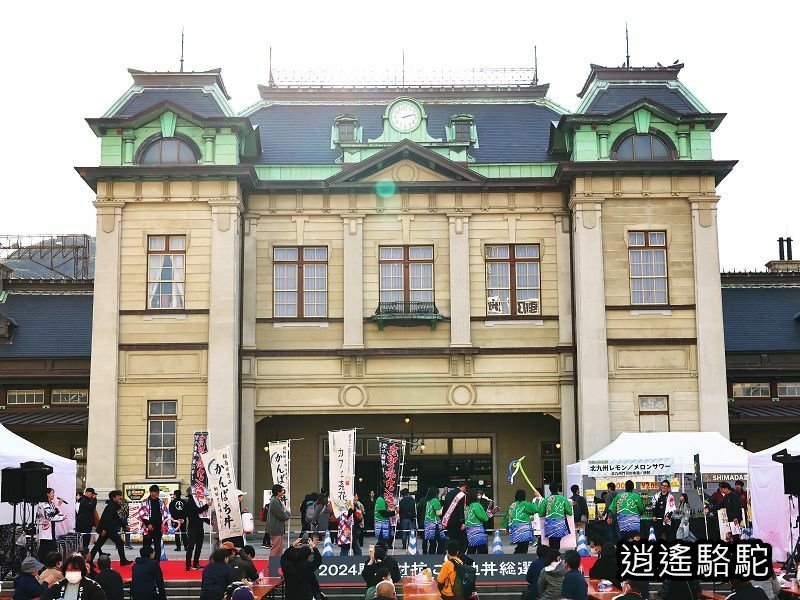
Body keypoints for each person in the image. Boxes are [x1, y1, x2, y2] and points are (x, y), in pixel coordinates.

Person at [90, 490, 132, 566]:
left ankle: (89, 561)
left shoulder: (113, 506)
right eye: (119, 495)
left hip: (108, 529)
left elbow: (116, 518)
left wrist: (124, 525)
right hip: (108, 530)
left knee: (97, 546)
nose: (120, 497)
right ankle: (123, 561)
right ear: (114, 497)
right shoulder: (111, 506)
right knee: (120, 543)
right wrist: (104, 529)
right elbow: (106, 519)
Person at [40, 554, 105, 600]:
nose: (71, 572)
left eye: (75, 570)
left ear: (82, 570)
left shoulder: (93, 586)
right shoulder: (58, 585)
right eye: (68, 570)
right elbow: (44, 597)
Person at [503, 489, 541, 554]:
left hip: (514, 529)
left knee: (520, 546)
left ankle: (516, 559)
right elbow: (536, 509)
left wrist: (507, 527)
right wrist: (538, 498)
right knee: (524, 547)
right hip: (524, 529)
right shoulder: (525, 504)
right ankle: (518, 560)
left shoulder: (512, 505)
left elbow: (507, 517)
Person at [537, 483, 572, 550]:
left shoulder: (546, 500)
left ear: (550, 490)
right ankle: (556, 556)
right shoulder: (563, 499)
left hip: (549, 524)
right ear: (558, 489)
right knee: (557, 542)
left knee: (551, 541)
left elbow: (541, 514)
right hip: (560, 523)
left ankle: (552, 556)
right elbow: (569, 512)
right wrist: (570, 506)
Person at [138, 485, 168, 559]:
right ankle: (145, 562)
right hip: (147, 528)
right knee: (146, 547)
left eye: (158, 491)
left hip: (158, 528)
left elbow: (165, 514)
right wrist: (148, 524)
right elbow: (142, 514)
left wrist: (165, 525)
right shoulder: (145, 502)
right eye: (155, 492)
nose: (157, 493)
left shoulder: (161, 502)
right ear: (151, 492)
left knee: (157, 547)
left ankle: (156, 563)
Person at [36, 488, 66, 563]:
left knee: (50, 548)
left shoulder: (51, 503)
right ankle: (43, 564)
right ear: (47, 494)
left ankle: (48, 564)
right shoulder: (43, 504)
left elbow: (54, 513)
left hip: (51, 529)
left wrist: (60, 515)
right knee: (46, 548)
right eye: (52, 493)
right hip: (45, 529)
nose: (54, 494)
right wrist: (60, 517)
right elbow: (49, 516)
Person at [185, 488, 211, 571]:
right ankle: (188, 564)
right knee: (191, 547)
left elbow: (203, 516)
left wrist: (210, 522)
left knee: (199, 546)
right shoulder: (190, 502)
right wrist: (207, 505)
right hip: (192, 527)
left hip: (200, 527)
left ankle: (196, 563)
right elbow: (197, 511)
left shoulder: (199, 502)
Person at [265, 484, 291, 558]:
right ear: (278, 492)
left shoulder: (276, 500)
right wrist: (288, 514)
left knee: (279, 548)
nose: (283, 492)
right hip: (275, 528)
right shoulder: (274, 501)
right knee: (276, 548)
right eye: (282, 490)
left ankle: (277, 564)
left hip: (277, 528)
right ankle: (272, 565)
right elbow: (281, 515)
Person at [442, 482, 468, 551]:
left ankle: (450, 553)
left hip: (448, 520)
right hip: (457, 522)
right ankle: (459, 555)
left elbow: (445, 507)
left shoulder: (449, 493)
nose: (465, 490)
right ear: (462, 487)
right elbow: (460, 509)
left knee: (451, 538)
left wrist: (443, 520)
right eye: (465, 488)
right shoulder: (461, 495)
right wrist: (462, 522)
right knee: (461, 540)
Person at [422, 486, 445, 555]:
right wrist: (444, 508)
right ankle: (439, 555)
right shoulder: (435, 500)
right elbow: (438, 513)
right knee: (441, 541)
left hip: (428, 524)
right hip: (435, 524)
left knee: (432, 542)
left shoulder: (429, 501)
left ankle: (431, 555)